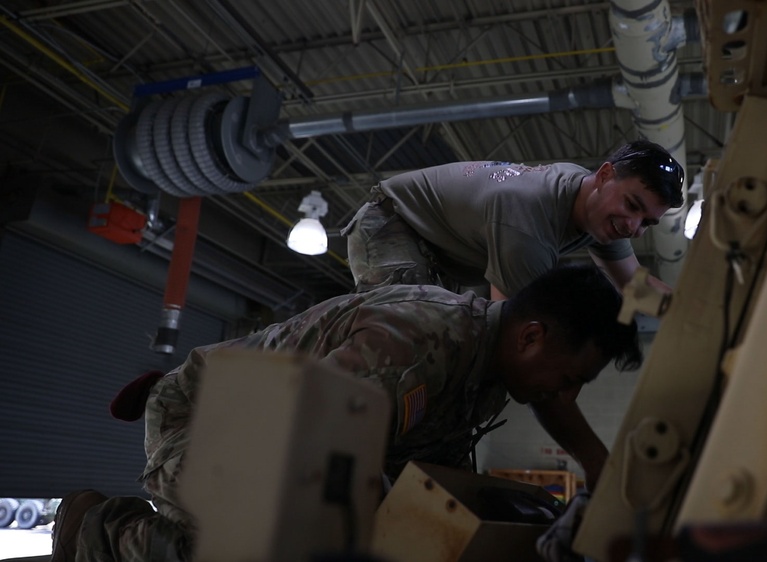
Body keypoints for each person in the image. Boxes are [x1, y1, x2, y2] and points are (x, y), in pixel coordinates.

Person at [51, 265, 642, 562]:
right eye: (568, 381)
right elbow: (307, 458)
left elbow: (431, 486)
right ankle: (98, 531)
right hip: (209, 423)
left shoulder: (499, 365)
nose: (564, 398)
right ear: (532, 336)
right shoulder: (416, 342)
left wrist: (601, 474)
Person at [342, 139, 684, 301]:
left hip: (440, 250)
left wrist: (701, 316)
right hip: (392, 223)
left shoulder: (599, 207)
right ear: (606, 175)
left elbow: (636, 286)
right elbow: (511, 329)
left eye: (647, 223)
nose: (633, 227)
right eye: (633, 206)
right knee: (408, 330)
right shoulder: (528, 222)